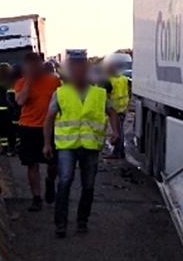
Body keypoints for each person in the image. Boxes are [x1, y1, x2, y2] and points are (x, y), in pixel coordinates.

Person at [43, 49, 119, 238]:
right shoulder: (60, 93)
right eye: (74, 68)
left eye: (81, 68)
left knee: (88, 185)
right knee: (65, 181)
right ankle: (61, 224)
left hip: (90, 146)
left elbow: (112, 113)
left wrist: (115, 131)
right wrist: (47, 143)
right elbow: (49, 118)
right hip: (67, 147)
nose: (78, 72)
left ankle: (82, 221)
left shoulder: (99, 94)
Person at [14, 51, 62, 212]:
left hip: (50, 127)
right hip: (28, 128)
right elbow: (21, 101)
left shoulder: (53, 81)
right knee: (31, 164)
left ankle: (50, 181)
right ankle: (36, 197)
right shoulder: (21, 83)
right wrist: (29, 80)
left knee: (53, 164)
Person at [104, 52, 132, 159]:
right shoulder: (123, 79)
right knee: (120, 131)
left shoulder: (109, 81)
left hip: (114, 110)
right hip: (122, 109)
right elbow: (128, 92)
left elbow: (106, 96)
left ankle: (117, 152)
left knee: (117, 132)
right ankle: (120, 151)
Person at [0, 61, 19, 156]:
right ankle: (8, 148)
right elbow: (0, 98)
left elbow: (7, 98)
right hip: (5, 112)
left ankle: (8, 148)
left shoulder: (4, 84)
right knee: (6, 130)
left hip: (5, 112)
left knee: (6, 130)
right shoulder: (5, 84)